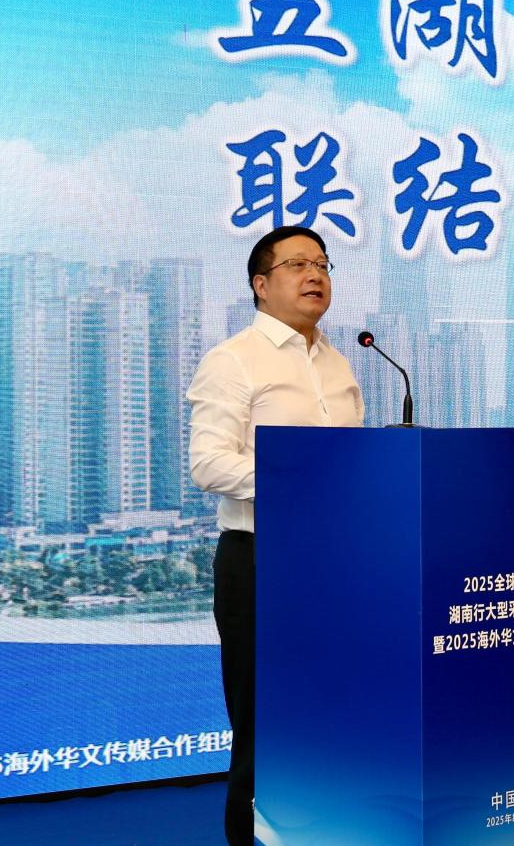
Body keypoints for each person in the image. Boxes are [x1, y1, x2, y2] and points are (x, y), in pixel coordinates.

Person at [187, 226, 364, 846]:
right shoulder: (233, 359)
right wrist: (296, 479)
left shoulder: (339, 362)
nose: (316, 274)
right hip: (262, 562)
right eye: (297, 264)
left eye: (323, 264)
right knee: (265, 728)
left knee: (334, 718)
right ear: (261, 285)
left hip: (336, 564)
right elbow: (209, 464)